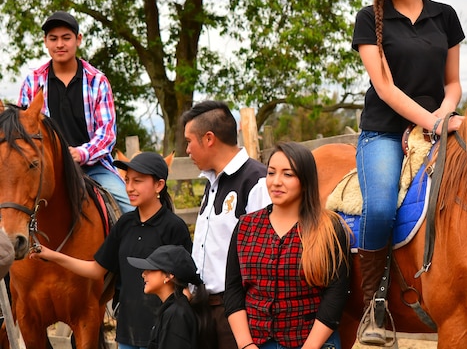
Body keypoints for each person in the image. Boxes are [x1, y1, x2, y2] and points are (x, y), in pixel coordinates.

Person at [351, 0, 465, 345]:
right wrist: (434, 124)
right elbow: (385, 89)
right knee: (380, 207)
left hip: (438, 124)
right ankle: (373, 309)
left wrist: (445, 114)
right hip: (384, 130)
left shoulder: (445, 16)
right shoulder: (369, 18)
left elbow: (452, 83)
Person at [30, 152, 192, 349]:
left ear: (159, 185)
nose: (129, 188)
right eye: (127, 180)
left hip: (162, 334)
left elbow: (186, 286)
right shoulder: (124, 224)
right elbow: (96, 270)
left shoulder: (174, 227)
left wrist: (178, 328)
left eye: (138, 181)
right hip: (127, 333)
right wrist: (51, 255)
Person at [224, 141, 350, 349]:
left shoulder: (329, 228)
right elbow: (233, 290)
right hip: (257, 343)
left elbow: (336, 294)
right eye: (271, 173)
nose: (276, 182)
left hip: (314, 343)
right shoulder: (245, 226)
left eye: (288, 174)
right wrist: (246, 344)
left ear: (306, 180)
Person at [17, 10, 133, 214]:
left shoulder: (97, 81)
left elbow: (107, 133)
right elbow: (22, 131)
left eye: (66, 38)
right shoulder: (33, 82)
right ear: (45, 42)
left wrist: (81, 153)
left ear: (78, 40)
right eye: (53, 39)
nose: (59, 44)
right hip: (45, 168)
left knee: (131, 209)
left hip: (93, 167)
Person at [180, 100, 272, 349]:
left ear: (209, 138)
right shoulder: (212, 183)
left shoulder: (257, 182)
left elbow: (266, 255)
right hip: (205, 309)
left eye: (189, 141)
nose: (187, 149)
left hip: (237, 313)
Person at [127, 245, 208, 349]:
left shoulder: (176, 315)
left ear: (168, 275)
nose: (143, 274)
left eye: (150, 269)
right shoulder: (172, 310)